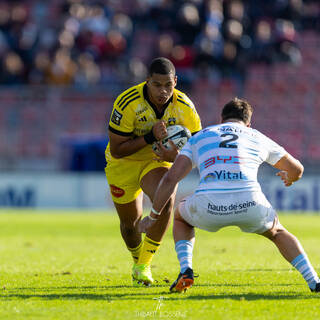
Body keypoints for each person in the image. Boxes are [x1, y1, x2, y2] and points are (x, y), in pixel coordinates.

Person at [139, 98, 320, 293]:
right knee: (277, 232)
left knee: (181, 217)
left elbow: (170, 179)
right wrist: (290, 177)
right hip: (250, 204)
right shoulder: (255, 135)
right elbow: (297, 169)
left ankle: (186, 270)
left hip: (209, 205)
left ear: (221, 119)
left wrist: (153, 217)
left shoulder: (201, 136)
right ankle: (314, 281)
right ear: (248, 123)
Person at [105, 57, 202, 286]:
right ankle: (138, 259)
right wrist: (150, 136)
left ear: (175, 81)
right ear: (147, 81)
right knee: (130, 227)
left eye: (168, 85)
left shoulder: (185, 106)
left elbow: (200, 150)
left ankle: (143, 266)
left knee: (166, 197)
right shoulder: (127, 102)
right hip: (124, 163)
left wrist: (175, 158)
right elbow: (118, 150)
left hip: (157, 160)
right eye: (157, 85)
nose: (163, 91)